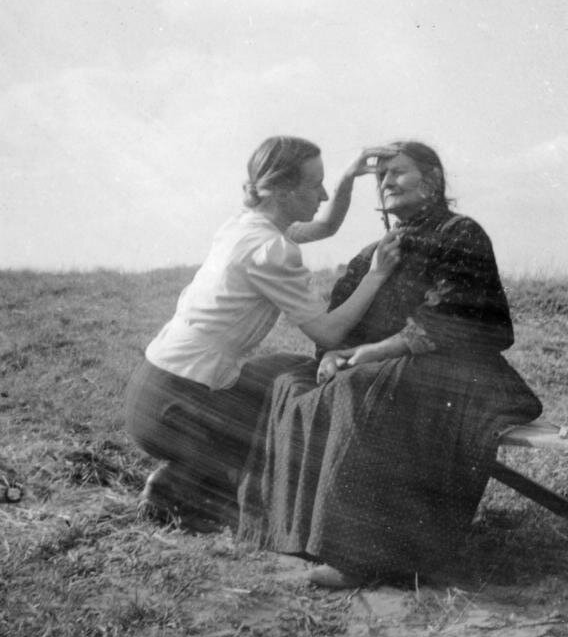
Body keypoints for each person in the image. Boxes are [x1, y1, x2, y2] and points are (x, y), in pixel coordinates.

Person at [237, 140, 542, 588]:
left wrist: (370, 354)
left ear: (433, 180)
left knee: (370, 387)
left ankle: (362, 557)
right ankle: (292, 532)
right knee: (289, 380)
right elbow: (345, 314)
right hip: (390, 368)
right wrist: (333, 356)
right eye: (380, 177)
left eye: (398, 172)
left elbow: (459, 318)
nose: (386, 182)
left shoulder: (461, 233)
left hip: (460, 372)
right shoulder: (375, 251)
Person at [124, 135, 401, 530]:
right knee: (282, 411)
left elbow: (326, 225)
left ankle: (195, 474)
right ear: (284, 192)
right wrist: (377, 274)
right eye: (314, 185)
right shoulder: (271, 249)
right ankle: (179, 483)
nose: (323, 194)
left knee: (288, 371)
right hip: (174, 408)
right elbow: (329, 332)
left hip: (154, 390)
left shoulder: (246, 225)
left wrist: (349, 176)